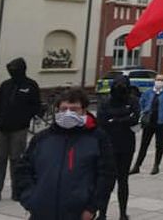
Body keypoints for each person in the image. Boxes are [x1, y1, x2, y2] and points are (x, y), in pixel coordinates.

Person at [13, 88, 115, 220]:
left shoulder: (97, 138)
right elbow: (23, 170)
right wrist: (30, 198)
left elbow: (106, 176)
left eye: (74, 109)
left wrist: (92, 207)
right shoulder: (42, 138)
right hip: (41, 212)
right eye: (63, 109)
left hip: (77, 213)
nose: (68, 113)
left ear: (84, 111)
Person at [0, 57, 42, 205]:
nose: (12, 72)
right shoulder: (6, 85)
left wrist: (29, 116)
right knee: (0, 160)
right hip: (1, 128)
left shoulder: (30, 85)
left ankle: (16, 189)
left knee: (17, 160)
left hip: (19, 128)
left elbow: (36, 104)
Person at [97, 76, 140, 220]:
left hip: (127, 146)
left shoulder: (133, 100)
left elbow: (135, 118)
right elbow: (102, 121)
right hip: (109, 146)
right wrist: (123, 119)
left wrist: (115, 120)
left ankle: (123, 213)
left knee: (123, 180)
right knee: (106, 181)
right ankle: (102, 213)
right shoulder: (106, 101)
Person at [131, 74, 163, 175]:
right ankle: (137, 165)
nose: (159, 81)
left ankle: (156, 165)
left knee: (159, 145)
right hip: (149, 122)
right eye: (158, 79)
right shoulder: (148, 92)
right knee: (144, 145)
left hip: (161, 122)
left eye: (161, 80)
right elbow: (141, 103)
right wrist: (144, 112)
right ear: (154, 80)